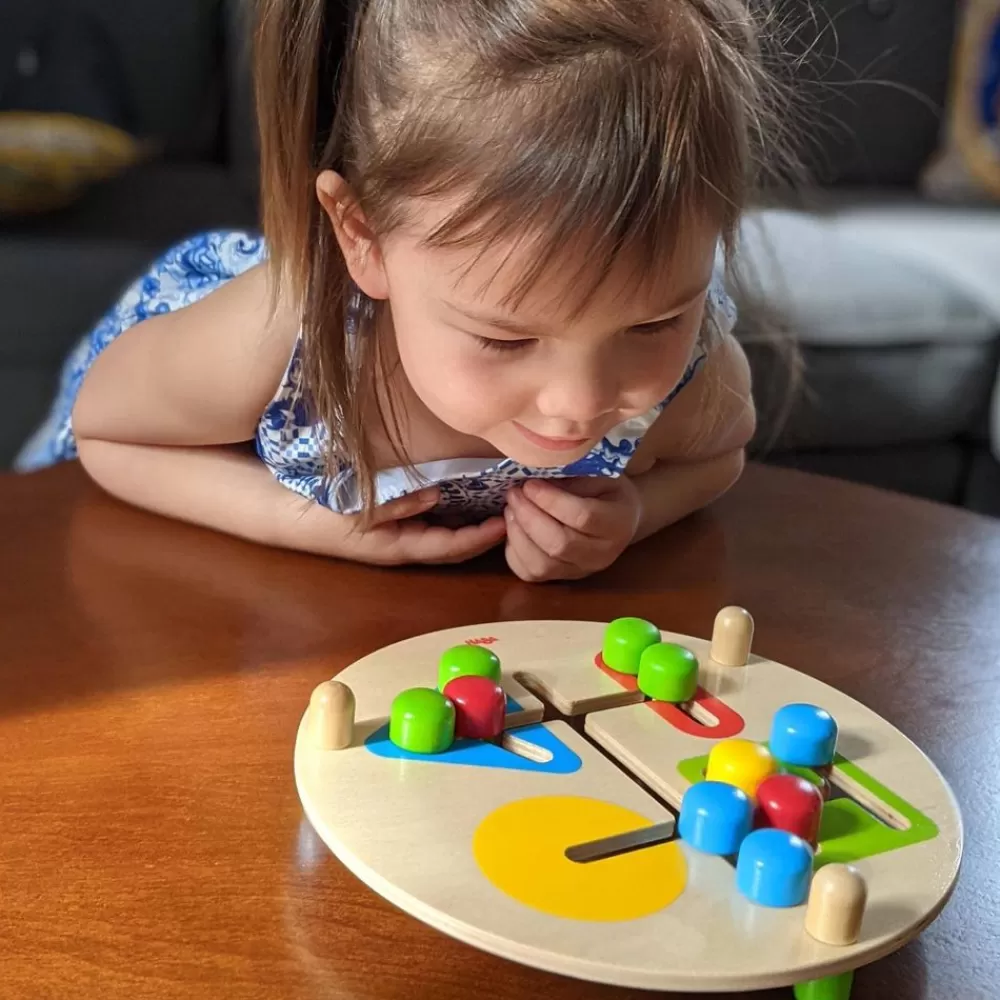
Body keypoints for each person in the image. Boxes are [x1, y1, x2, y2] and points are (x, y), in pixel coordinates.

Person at [17, 0, 779, 581]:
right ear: (364, 240)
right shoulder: (280, 336)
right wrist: (302, 522)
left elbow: (722, 453)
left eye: (652, 324)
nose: (579, 403)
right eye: (505, 338)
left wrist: (636, 516)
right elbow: (106, 435)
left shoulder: (689, 368)